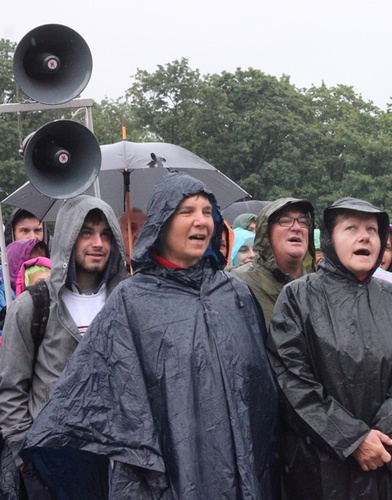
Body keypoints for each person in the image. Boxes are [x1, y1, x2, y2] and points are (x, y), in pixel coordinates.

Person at [21, 172, 279, 498]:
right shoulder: (131, 301)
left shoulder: (235, 295)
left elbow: (261, 396)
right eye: (187, 212)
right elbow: (90, 401)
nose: (201, 220)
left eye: (206, 211)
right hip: (165, 479)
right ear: (162, 223)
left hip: (241, 470)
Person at [266, 197, 392, 498]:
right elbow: (291, 380)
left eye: (372, 230)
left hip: (387, 460)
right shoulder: (299, 297)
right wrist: (353, 439)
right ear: (330, 239)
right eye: (351, 228)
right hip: (323, 465)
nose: (364, 237)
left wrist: (383, 437)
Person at [0, 196, 128, 498]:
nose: (97, 242)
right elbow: (11, 389)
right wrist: (25, 462)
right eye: (86, 232)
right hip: (51, 464)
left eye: (105, 234)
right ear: (69, 235)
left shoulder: (125, 304)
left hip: (114, 464)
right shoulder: (33, 305)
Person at [231, 197, 315, 328]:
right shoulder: (238, 283)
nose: (297, 227)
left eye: (303, 222)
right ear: (266, 232)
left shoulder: (320, 287)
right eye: (285, 221)